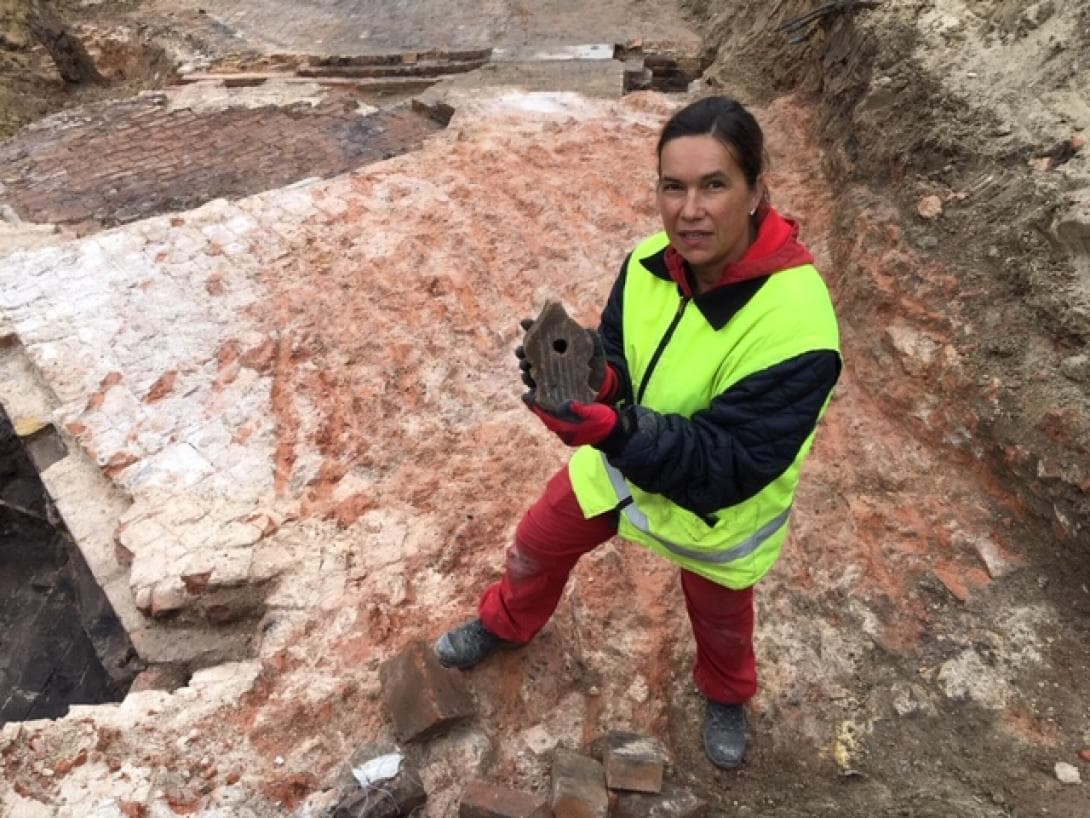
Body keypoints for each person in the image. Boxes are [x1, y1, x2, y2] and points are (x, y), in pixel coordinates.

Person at [435, 96, 841, 769]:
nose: (690, 210)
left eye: (714, 185)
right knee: (536, 545)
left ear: (756, 192)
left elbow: (729, 462)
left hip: (714, 513)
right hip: (620, 467)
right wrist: (591, 381)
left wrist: (614, 431)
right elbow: (623, 355)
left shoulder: (800, 326)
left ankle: (726, 694)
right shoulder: (651, 260)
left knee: (720, 620)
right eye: (673, 187)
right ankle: (505, 623)